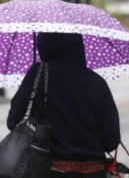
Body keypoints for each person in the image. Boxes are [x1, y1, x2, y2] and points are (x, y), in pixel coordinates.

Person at [7, 32, 121, 178]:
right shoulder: (97, 82)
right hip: (94, 172)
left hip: (48, 170)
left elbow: (13, 122)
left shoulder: (38, 74)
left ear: (44, 44)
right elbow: (111, 140)